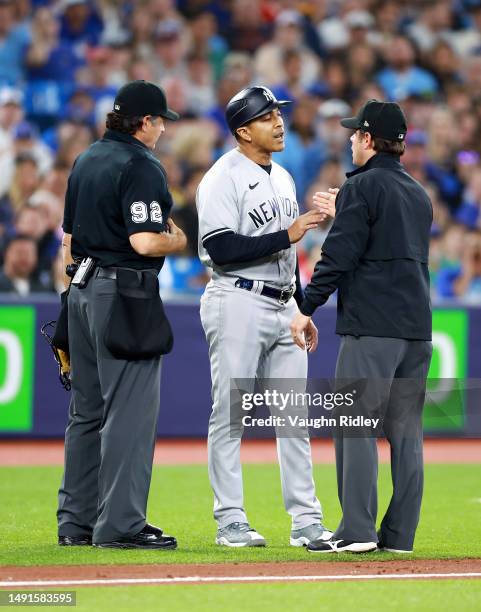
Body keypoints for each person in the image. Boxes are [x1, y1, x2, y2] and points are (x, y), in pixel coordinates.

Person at [291, 99, 433, 554]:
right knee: (406, 433)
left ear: (369, 140)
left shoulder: (361, 189)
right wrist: (349, 208)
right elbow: (382, 236)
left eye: (356, 133)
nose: (351, 139)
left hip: (372, 328)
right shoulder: (418, 194)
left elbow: (338, 258)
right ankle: (400, 536)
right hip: (416, 329)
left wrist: (306, 307)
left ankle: (356, 532)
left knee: (354, 426)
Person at [196, 86, 334, 548]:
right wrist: (286, 233)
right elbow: (219, 248)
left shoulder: (284, 177)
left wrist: (299, 304)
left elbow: (290, 252)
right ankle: (230, 520)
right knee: (230, 412)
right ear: (242, 130)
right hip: (236, 298)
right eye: (266, 116)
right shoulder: (221, 178)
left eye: (278, 113)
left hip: (282, 302)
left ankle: (306, 521)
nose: (279, 123)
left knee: (293, 415)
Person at [57, 80, 187, 550]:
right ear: (145, 122)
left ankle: (76, 523)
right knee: (129, 413)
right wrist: (178, 239)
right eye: (160, 121)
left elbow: (68, 240)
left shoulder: (87, 158)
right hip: (123, 294)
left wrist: (70, 297)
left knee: (87, 412)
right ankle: (121, 526)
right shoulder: (140, 163)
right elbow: (146, 241)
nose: (162, 131)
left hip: (82, 289)